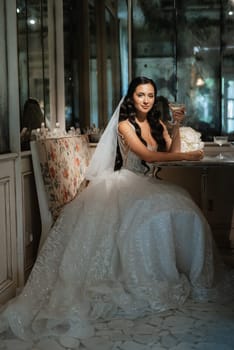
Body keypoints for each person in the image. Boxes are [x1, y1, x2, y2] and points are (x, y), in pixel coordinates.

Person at [0, 77, 233, 345]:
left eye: (150, 95)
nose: (145, 99)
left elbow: (170, 150)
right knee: (154, 216)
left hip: (148, 185)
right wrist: (188, 157)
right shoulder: (125, 125)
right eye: (140, 94)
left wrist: (176, 124)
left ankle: (184, 272)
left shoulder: (157, 124)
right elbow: (149, 157)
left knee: (185, 208)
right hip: (124, 183)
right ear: (131, 98)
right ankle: (146, 279)